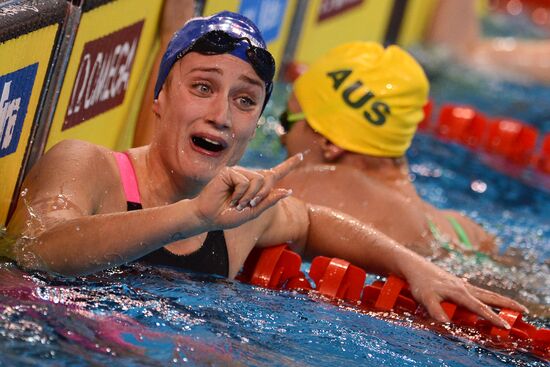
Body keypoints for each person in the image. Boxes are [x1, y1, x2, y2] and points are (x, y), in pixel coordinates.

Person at [5, 11, 525, 328]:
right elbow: (38, 249)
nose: (221, 114)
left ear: (257, 122)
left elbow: (313, 220)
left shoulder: (244, 211)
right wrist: (189, 218)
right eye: (202, 87)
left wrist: (413, 266)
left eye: (245, 100)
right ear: (159, 96)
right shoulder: (86, 165)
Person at [277, 41, 497, 258]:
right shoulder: (467, 231)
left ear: (331, 143)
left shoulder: (321, 187)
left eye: (287, 121)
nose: (282, 137)